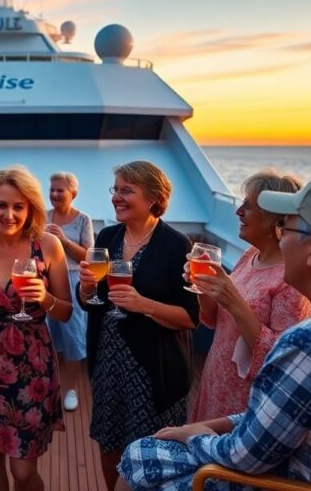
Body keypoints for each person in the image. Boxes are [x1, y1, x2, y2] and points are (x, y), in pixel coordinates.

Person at [119, 169, 311, 490]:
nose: (281, 236)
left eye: (287, 227)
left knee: (138, 456)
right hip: (309, 467)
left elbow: (244, 456)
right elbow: (280, 415)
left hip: (285, 481)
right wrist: (211, 425)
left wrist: (196, 435)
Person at [77, 161, 199, 491]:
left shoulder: (176, 245)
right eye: (115, 189)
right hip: (108, 363)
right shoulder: (107, 236)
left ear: (154, 198)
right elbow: (90, 301)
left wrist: (143, 305)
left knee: (151, 454)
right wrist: (87, 287)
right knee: (109, 440)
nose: (117, 197)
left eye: (127, 190)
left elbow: (190, 317)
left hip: (154, 369)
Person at [0, 166, 73, 491]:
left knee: (23, 470)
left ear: (30, 209)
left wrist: (46, 297)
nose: (9, 214)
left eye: (18, 207)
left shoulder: (49, 246)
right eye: (1, 205)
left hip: (32, 368)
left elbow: (66, 312)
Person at [188, 170, 311, 421]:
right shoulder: (250, 256)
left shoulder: (291, 280)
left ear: (275, 220)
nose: (238, 211)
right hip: (218, 379)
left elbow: (279, 357)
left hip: (246, 400)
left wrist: (233, 299)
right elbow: (215, 319)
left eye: (249, 206)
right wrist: (204, 288)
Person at [44, 171, 94, 412]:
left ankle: (71, 388)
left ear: (72, 193)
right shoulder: (42, 217)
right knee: (45, 335)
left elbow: (89, 256)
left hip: (73, 281)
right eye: (52, 189)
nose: (54, 194)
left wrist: (63, 239)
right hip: (46, 281)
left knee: (73, 338)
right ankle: (48, 386)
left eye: (59, 190)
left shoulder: (83, 219)